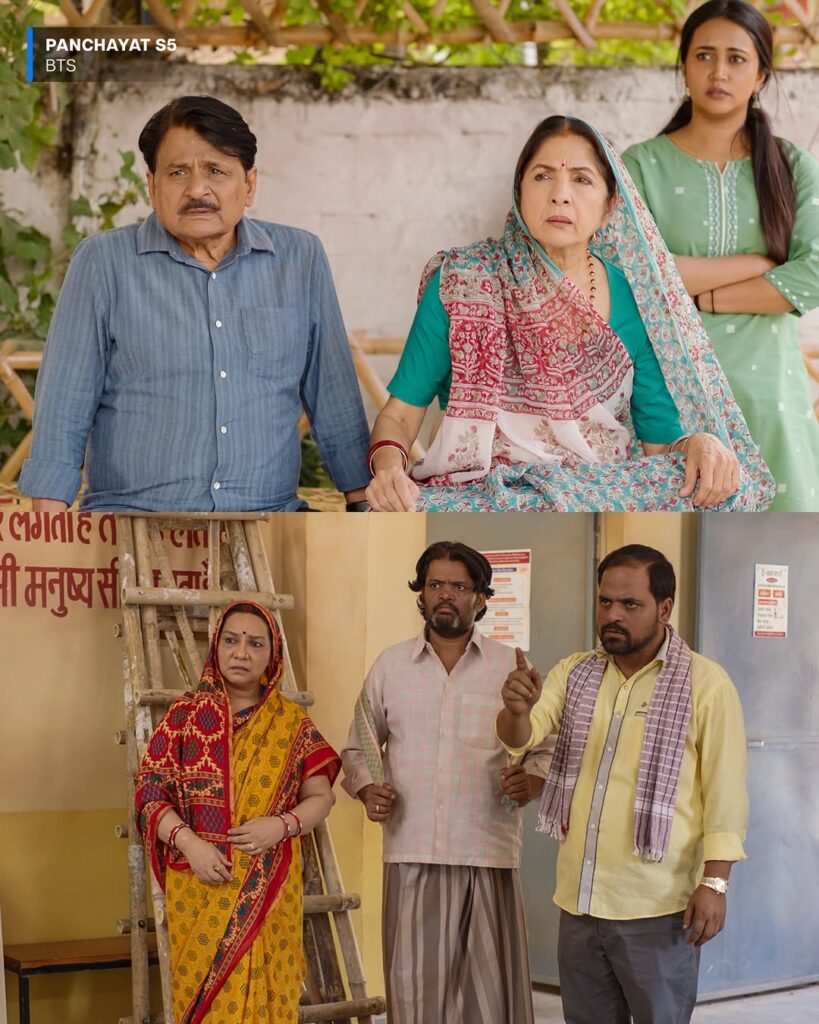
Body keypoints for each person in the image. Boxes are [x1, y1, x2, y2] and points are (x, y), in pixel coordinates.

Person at [364, 114, 774, 513]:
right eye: (542, 176)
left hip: (594, 491)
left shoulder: (634, 300)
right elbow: (399, 416)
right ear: (518, 193)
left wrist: (698, 443)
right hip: (481, 492)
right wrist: (389, 472)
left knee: (715, 490)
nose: (560, 193)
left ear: (610, 205)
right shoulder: (463, 283)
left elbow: (661, 447)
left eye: (581, 179)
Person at [19, 95, 370, 513]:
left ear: (250, 184)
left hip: (268, 523)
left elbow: (334, 397)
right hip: (132, 525)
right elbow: (64, 404)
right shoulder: (103, 262)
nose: (197, 189)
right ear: (152, 185)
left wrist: (362, 508)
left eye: (216, 171)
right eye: (178, 172)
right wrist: (51, 537)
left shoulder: (299, 258)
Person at [497, 544, 748, 1024]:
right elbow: (524, 736)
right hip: (580, 902)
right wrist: (515, 710)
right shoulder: (575, 673)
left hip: (658, 908)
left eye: (630, 605)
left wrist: (715, 883)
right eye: (605, 602)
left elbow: (726, 797)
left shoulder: (706, 686)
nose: (613, 615)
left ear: (664, 608)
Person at [340, 541, 552, 1024]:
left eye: (460, 586)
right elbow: (358, 747)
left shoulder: (511, 667)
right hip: (412, 852)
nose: (446, 595)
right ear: (421, 593)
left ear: (480, 598)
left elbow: (544, 749)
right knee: (416, 998)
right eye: (436, 584)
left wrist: (531, 782)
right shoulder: (390, 666)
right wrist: (366, 788)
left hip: (486, 854)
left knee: (490, 999)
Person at [623, 0, 819, 511]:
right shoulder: (638, 167)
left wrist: (701, 297)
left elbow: (815, 271)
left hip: (771, 390)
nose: (719, 72)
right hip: (667, 393)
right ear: (683, 66)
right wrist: (757, 265)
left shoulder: (791, 166)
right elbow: (627, 274)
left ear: (761, 74)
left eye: (737, 58)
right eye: (704, 55)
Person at [135, 601, 341, 1024]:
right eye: (231, 641)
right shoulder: (184, 716)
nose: (241, 653)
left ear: (272, 655)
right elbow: (149, 795)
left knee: (268, 1003)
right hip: (199, 888)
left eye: (255, 643)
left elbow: (322, 797)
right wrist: (190, 844)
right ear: (216, 647)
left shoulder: (291, 724)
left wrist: (281, 826)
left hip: (268, 890)